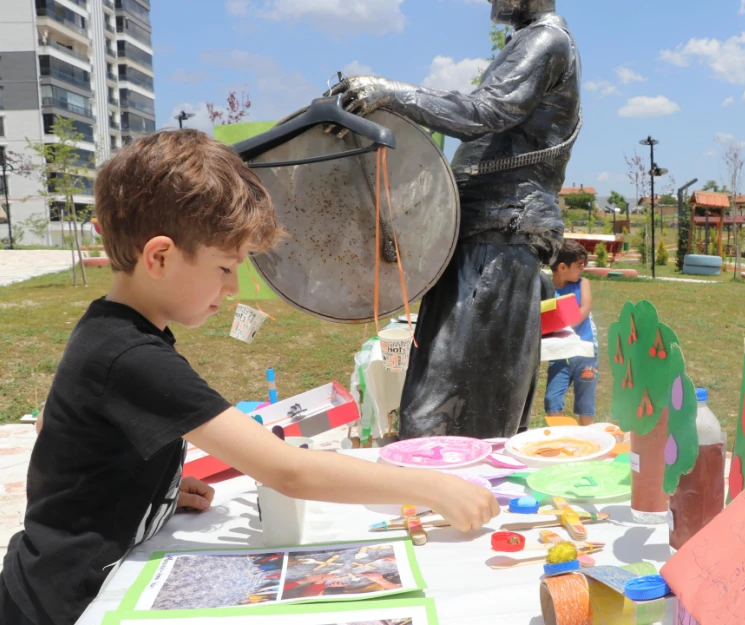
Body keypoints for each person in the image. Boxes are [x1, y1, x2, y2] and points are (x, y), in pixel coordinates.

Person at [0, 131, 500, 625]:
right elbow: (288, 471)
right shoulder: (131, 355)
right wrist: (432, 488)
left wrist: (148, 486)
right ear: (159, 257)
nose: (232, 287)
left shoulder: (108, 329)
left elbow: (57, 430)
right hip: (58, 601)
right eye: (224, 267)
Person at [329, 0, 582, 439]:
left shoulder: (546, 40)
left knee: (450, 404)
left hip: (498, 236)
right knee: (453, 396)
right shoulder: (529, 40)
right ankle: (439, 492)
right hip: (483, 235)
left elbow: (488, 111)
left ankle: (447, 494)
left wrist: (390, 93)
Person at [544, 240, 597, 426]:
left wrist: (561, 326)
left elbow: (585, 308)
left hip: (585, 354)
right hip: (559, 354)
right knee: (552, 401)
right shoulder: (547, 289)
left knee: (585, 405)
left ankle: (589, 439)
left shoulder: (583, 284)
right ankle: (563, 439)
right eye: (579, 265)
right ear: (562, 267)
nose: (583, 269)